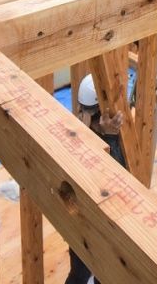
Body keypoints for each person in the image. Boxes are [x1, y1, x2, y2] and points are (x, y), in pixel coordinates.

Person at [66, 75, 127, 284]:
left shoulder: (114, 138)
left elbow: (121, 183)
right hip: (84, 224)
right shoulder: (80, 137)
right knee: (80, 273)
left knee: (103, 274)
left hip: (104, 227)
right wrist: (104, 136)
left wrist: (110, 137)